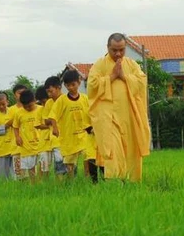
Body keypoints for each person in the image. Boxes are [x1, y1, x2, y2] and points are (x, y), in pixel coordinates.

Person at [87, 32, 151, 182]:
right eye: (114, 50)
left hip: (129, 116)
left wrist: (123, 76)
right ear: (107, 47)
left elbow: (142, 82)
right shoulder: (100, 65)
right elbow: (92, 85)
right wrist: (111, 77)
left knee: (131, 150)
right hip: (109, 118)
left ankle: (130, 181)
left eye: (121, 50)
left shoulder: (131, 65)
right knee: (113, 149)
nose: (118, 54)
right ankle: (115, 181)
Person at [48, 70, 91, 177]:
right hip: (69, 137)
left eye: (73, 84)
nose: (71, 87)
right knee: (70, 163)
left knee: (88, 157)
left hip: (84, 135)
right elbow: (53, 115)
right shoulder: (62, 100)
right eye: (68, 85)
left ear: (79, 82)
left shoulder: (85, 98)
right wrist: (55, 128)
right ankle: (70, 181)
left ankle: (88, 179)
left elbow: (91, 114)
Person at [11, 89, 42, 182]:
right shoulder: (19, 113)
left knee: (42, 165)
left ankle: (41, 182)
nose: (28, 108)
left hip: (41, 143)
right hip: (26, 145)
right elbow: (15, 126)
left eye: (30, 106)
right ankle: (33, 184)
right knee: (30, 166)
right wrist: (17, 137)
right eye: (25, 106)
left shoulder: (41, 110)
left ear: (34, 100)